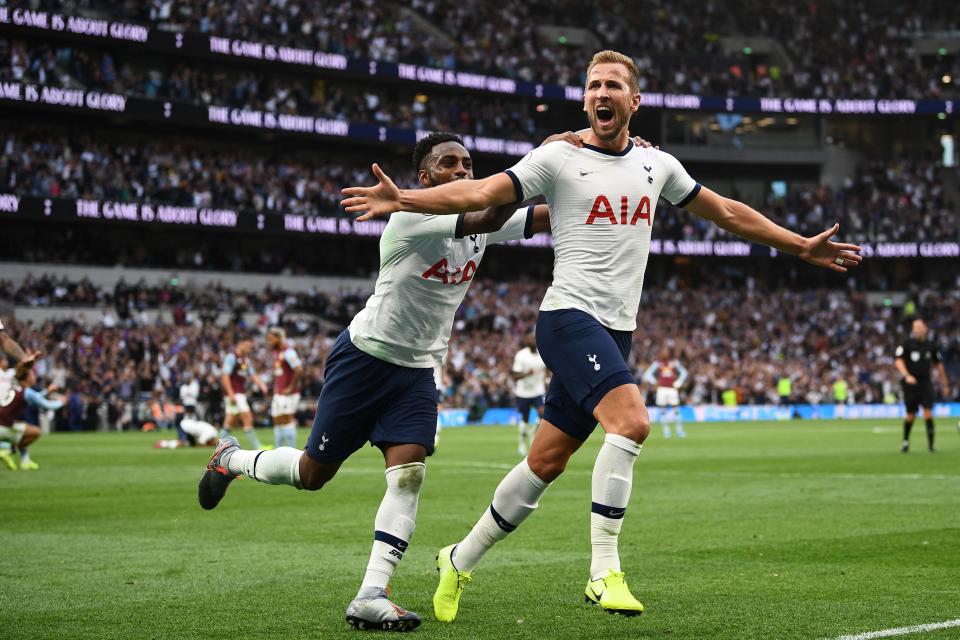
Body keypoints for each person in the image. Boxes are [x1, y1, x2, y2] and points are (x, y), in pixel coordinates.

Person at [341, 49, 863, 621]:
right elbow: (483, 194)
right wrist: (406, 199)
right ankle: (603, 571)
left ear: (633, 102)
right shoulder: (556, 159)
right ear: (585, 98)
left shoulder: (656, 165)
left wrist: (799, 246)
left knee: (546, 462)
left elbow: (728, 213)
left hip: (618, 331)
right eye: (592, 86)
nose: (601, 93)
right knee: (633, 422)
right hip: (567, 318)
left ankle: (458, 559)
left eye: (613, 85)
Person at [197, 131, 557, 632]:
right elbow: (492, 212)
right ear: (425, 178)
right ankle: (231, 459)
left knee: (409, 474)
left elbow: (541, 217)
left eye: (468, 164)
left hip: (416, 371)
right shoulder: (412, 218)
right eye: (449, 164)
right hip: (364, 359)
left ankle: (371, 593)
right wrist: (545, 156)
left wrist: (599, 181)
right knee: (312, 473)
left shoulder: (480, 222)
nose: (462, 170)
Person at [895, 318, 949, 453]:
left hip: (925, 383)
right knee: (910, 415)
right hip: (911, 385)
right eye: (915, 327)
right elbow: (898, 361)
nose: (917, 330)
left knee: (928, 413)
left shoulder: (931, 346)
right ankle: (905, 442)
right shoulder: (906, 344)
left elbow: (939, 365)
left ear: (925, 328)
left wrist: (945, 384)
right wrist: (907, 375)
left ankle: (931, 445)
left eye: (919, 327)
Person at [0, 360, 64, 470]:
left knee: (23, 428)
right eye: (32, 374)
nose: (34, 376)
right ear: (27, 378)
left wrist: (47, 391)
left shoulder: (17, 388)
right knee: (35, 432)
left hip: (3, 423)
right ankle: (7, 451)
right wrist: (62, 402)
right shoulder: (27, 392)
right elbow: (47, 405)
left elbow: (36, 397)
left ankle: (25, 460)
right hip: (4, 427)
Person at [219, 338, 268, 448]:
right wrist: (230, 393)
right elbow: (225, 376)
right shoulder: (231, 357)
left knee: (230, 419)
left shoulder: (245, 360)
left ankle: (218, 446)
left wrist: (262, 385)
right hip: (235, 393)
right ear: (240, 344)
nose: (249, 349)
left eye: (250, 347)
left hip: (239, 392)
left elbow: (253, 375)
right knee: (247, 416)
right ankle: (257, 446)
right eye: (247, 346)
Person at [266, 327, 303, 449]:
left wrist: (291, 387)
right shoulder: (276, 352)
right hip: (279, 394)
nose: (269, 342)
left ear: (279, 338)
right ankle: (278, 451)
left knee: (287, 420)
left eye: (271, 339)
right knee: (277, 421)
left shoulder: (288, 352)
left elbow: (298, 369)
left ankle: (291, 450)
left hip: (289, 394)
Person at [512, 333, 547, 456]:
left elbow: (547, 368)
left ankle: (533, 437)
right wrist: (527, 373)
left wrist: (547, 380)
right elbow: (515, 376)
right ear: (526, 341)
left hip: (538, 391)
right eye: (530, 339)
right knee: (525, 419)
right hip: (523, 392)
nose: (533, 340)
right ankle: (521, 442)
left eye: (534, 338)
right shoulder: (521, 355)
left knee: (543, 413)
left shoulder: (542, 353)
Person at [642, 348, 688, 439]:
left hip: (672, 389)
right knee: (663, 411)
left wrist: (678, 383)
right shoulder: (658, 363)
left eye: (666, 351)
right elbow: (647, 374)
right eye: (663, 351)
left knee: (676, 410)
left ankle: (679, 431)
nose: (665, 352)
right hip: (662, 389)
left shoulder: (674, 363)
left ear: (669, 353)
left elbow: (684, 373)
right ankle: (666, 432)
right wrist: (655, 382)